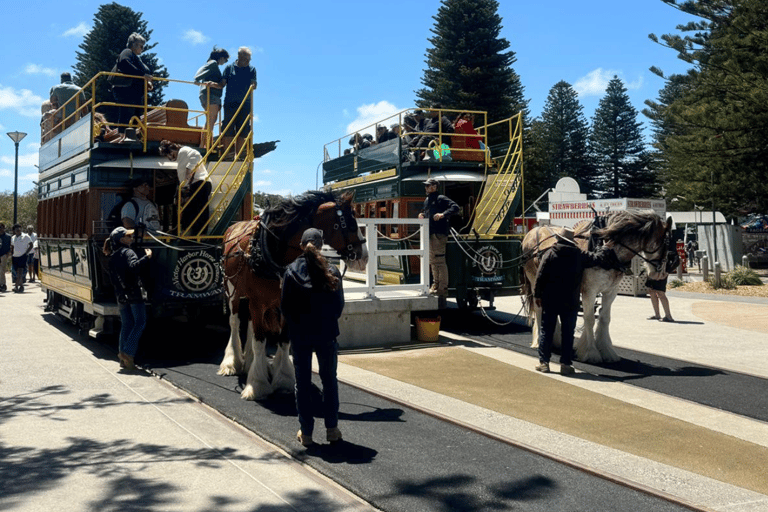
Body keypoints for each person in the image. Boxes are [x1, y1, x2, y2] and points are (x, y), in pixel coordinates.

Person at [281, 228, 345, 447]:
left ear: (301, 245)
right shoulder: (332, 270)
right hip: (326, 334)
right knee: (329, 381)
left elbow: (285, 308)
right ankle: (333, 430)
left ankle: (306, 433)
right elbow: (338, 307)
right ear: (321, 244)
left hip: (300, 336)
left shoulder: (290, 271)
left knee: (303, 383)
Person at [533, 227, 619, 375]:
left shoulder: (549, 254)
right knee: (568, 333)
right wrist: (605, 248)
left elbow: (540, 276)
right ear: (571, 241)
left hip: (550, 300)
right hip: (570, 301)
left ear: (558, 239)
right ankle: (565, 364)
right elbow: (596, 259)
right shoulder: (578, 254)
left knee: (546, 331)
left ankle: (544, 363)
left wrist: (537, 295)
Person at [103, 226, 152, 371]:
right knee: (140, 322)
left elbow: (113, 279)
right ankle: (127, 353)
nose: (131, 238)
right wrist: (147, 257)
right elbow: (134, 267)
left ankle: (123, 360)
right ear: (122, 239)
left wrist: (120, 293)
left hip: (121, 296)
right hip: (134, 294)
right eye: (128, 236)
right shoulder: (128, 252)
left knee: (126, 324)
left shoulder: (112, 257)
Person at [418, 178, 459, 301]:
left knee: (439, 261)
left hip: (439, 234)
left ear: (435, 186)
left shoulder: (441, 198)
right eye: (426, 186)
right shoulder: (427, 200)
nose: (426, 188)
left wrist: (443, 214)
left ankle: (442, 288)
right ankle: (435, 285)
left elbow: (455, 207)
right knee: (433, 260)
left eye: (428, 186)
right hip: (430, 233)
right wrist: (422, 215)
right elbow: (425, 212)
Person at [158, 140, 212, 235]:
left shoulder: (183, 151)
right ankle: (191, 231)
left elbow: (196, 154)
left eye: (169, 154)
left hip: (199, 183)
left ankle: (196, 233)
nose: (170, 157)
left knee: (197, 209)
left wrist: (189, 169)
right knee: (191, 209)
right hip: (196, 184)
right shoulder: (181, 156)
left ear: (173, 149)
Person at [111, 32, 154, 133]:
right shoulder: (127, 52)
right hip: (127, 91)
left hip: (134, 93)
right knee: (127, 113)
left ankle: (131, 135)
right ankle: (123, 135)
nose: (142, 49)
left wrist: (146, 82)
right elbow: (124, 63)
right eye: (141, 46)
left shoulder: (134, 56)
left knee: (134, 115)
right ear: (134, 45)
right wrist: (143, 75)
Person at [221, 47, 257, 155]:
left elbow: (254, 84)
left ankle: (238, 154)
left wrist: (253, 85)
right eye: (245, 58)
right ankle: (227, 154)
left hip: (245, 104)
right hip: (230, 103)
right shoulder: (229, 68)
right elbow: (223, 82)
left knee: (243, 129)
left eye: (249, 59)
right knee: (228, 128)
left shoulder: (252, 69)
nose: (247, 61)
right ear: (239, 57)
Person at [194, 46, 230, 148]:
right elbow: (196, 78)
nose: (226, 61)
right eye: (225, 59)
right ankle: (203, 146)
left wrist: (204, 83)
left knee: (209, 122)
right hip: (212, 96)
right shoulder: (213, 63)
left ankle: (206, 144)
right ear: (221, 57)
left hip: (205, 95)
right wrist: (211, 84)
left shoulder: (210, 63)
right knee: (210, 122)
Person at [646, 251, 676, 323]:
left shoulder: (668, 246)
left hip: (662, 271)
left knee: (660, 293)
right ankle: (657, 315)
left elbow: (676, 260)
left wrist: (667, 271)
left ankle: (668, 316)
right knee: (651, 291)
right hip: (652, 270)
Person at [10, 224, 33, 293]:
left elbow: (31, 245)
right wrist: (11, 253)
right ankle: (21, 286)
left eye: (19, 228)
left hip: (22, 256)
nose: (18, 229)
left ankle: (16, 286)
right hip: (15, 256)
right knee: (16, 272)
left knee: (20, 271)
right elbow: (12, 246)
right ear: (14, 230)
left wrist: (26, 253)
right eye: (16, 228)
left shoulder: (25, 236)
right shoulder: (13, 237)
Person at [0, 223, 11, 292]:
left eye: (1, 227)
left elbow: (11, 245)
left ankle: (3, 284)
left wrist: (8, 253)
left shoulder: (8, 237)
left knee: (2, 270)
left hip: (4, 255)